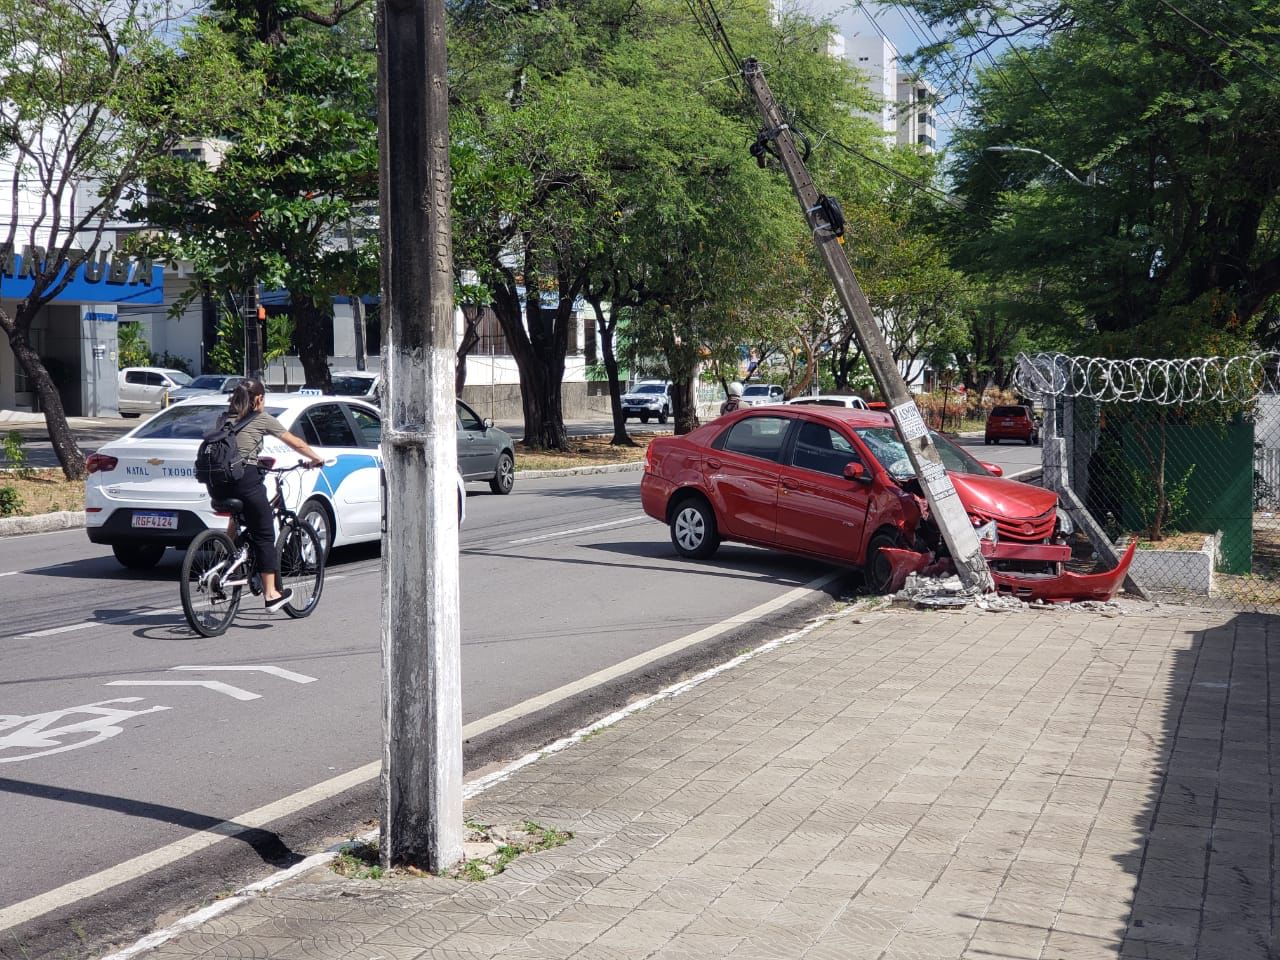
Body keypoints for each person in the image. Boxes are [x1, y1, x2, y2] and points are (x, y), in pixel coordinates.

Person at [210, 379, 324, 613]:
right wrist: (316, 459)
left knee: (240, 515)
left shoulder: (224, 419)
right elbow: (296, 443)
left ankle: (225, 562)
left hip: (218, 484)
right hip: (245, 481)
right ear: (259, 399)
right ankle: (271, 594)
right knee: (264, 533)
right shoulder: (261, 419)